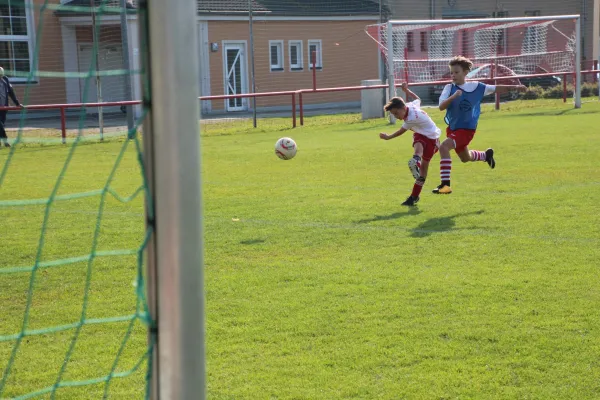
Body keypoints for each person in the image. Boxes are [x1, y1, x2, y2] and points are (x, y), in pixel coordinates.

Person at [434, 55, 527, 194]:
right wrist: (454, 96)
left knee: (443, 147)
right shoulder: (448, 88)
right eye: (451, 72)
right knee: (465, 158)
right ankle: (485, 156)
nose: (453, 75)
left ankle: (445, 186)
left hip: (466, 130)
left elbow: (496, 88)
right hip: (453, 128)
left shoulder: (477, 86)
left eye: (456, 72)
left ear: (465, 72)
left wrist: (516, 87)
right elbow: (441, 107)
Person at [380, 82, 441, 206]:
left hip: (432, 139)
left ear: (403, 109)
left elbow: (401, 131)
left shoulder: (411, 118)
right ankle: (415, 163)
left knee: (423, 171)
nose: (396, 117)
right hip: (422, 134)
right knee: (418, 140)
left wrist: (388, 137)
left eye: (396, 113)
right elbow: (418, 99)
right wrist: (407, 91)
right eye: (393, 115)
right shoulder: (409, 106)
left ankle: (416, 164)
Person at [0, 66, 24, 148]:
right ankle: (5, 141)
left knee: (1, 125)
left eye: (1, 76)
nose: (0, 77)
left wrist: (17, 103)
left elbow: (11, 93)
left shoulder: (5, 80)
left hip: (4, 107)